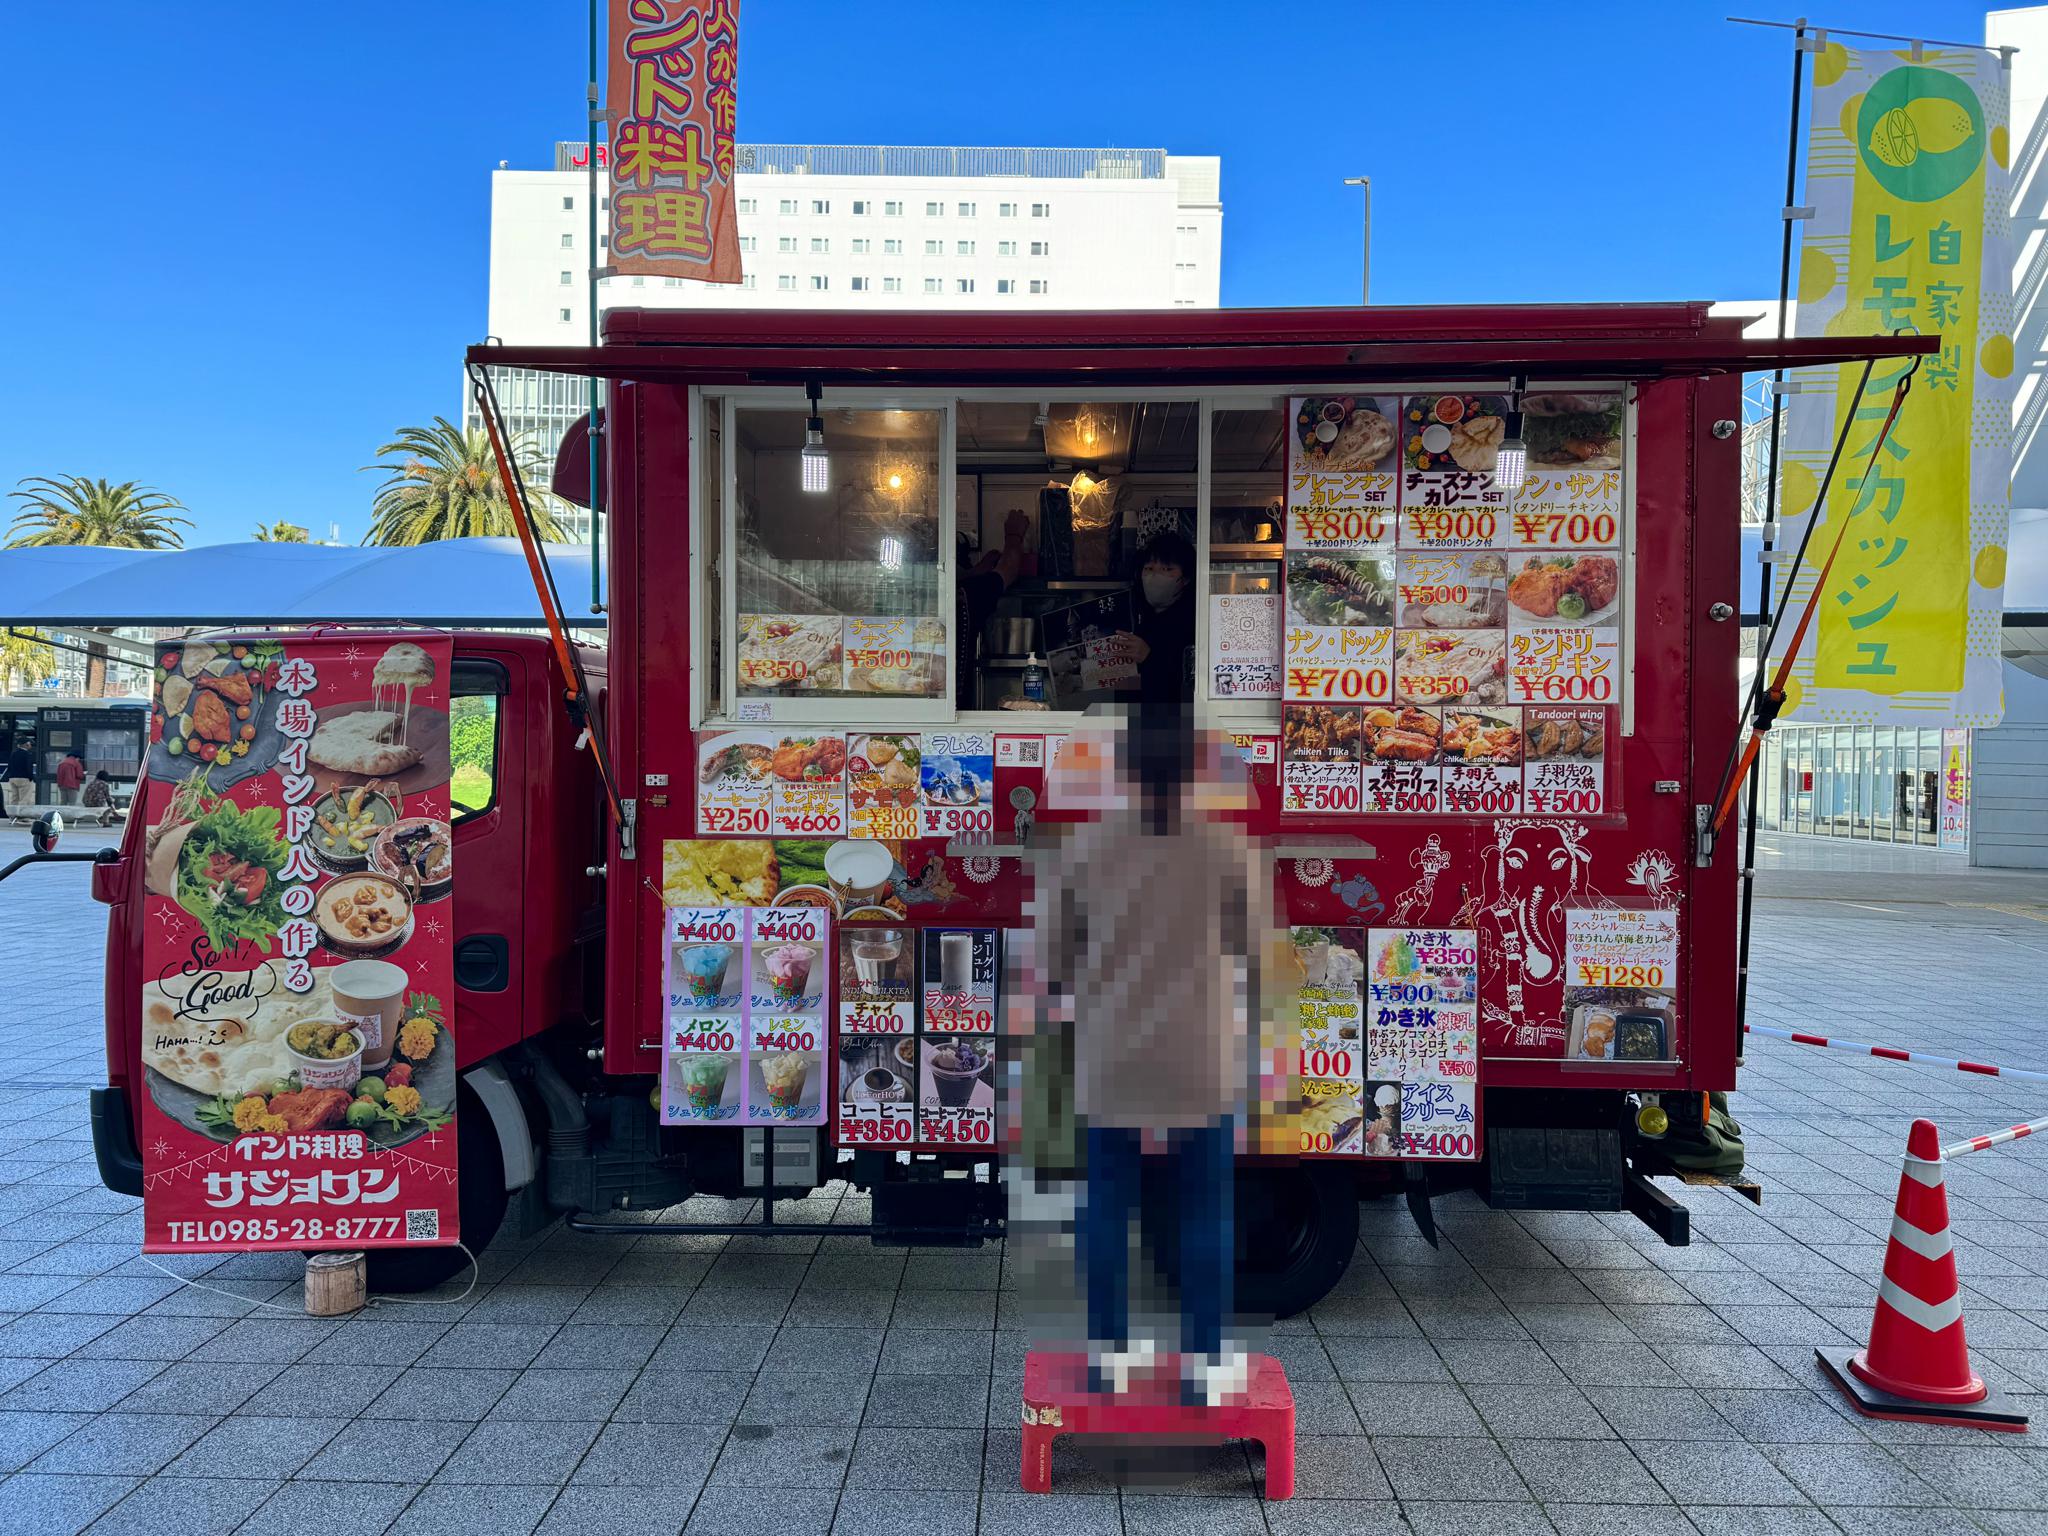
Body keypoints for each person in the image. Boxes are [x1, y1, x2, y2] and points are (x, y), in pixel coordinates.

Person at [1028, 703, 1268, 1405]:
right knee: (1204, 1210)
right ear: (1194, 769)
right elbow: (1256, 949)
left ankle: (1109, 1355)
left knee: (1106, 1207)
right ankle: (1203, 1361)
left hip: (1112, 1055)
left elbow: (1051, 961)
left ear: (1123, 768)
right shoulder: (1225, 849)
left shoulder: (1085, 848)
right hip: (1200, 1057)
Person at [953, 507, 1031, 708]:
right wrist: (1014, 534)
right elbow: (1009, 569)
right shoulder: (967, 594)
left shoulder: (912, 594)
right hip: (957, 708)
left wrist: (983, 566)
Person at [1114, 530, 1197, 704]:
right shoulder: (1135, 617)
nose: (1155, 576)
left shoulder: (1195, 623)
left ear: (1186, 578)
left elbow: (1190, 686)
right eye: (1149, 568)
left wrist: (1149, 657)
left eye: (1167, 569)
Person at [1, 742, 33, 814]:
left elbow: (9, 767)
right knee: (24, 799)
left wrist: (10, 776)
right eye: (30, 744)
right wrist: (31, 778)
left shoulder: (13, 753)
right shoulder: (27, 754)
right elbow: (28, 767)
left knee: (14, 798)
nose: (31, 746)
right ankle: (22, 816)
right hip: (24, 778)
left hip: (13, 778)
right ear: (26, 745)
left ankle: (12, 816)